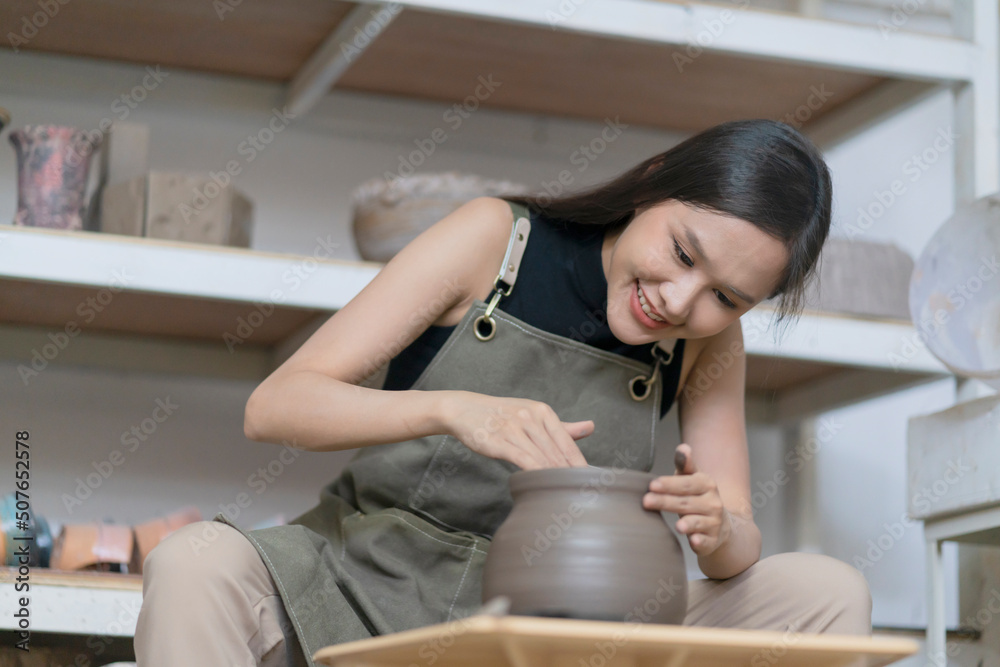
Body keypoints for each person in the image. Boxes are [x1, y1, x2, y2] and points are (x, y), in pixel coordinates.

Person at [134, 119, 872, 667]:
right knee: (194, 561)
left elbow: (732, 544)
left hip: (560, 632)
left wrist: (718, 526)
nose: (680, 301)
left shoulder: (709, 340)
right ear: (652, 183)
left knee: (826, 591)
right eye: (682, 252)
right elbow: (276, 406)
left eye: (726, 295)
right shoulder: (497, 240)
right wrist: (453, 408)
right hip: (369, 588)